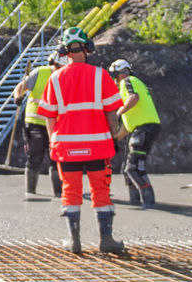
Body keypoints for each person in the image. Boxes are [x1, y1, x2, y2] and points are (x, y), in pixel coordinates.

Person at [36, 27, 125, 254]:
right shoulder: (101, 75)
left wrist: (52, 141)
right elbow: (112, 112)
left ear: (64, 51)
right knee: (101, 190)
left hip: (67, 147)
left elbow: (49, 116)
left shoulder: (55, 78)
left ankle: (73, 241)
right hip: (97, 146)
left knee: (70, 191)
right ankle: (106, 241)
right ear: (88, 48)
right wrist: (114, 134)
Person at [12, 51, 65, 198]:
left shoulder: (66, 76)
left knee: (56, 159)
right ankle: (31, 191)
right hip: (36, 122)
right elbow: (20, 87)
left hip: (56, 125)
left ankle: (59, 193)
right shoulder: (40, 73)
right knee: (35, 157)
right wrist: (18, 96)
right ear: (54, 63)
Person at [108, 59, 160, 209]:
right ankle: (134, 200)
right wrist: (115, 138)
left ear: (119, 73)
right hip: (142, 128)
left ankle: (149, 201)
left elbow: (134, 98)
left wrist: (117, 113)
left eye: (114, 75)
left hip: (144, 128)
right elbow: (126, 125)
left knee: (134, 167)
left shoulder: (128, 81)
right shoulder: (136, 82)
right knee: (127, 167)